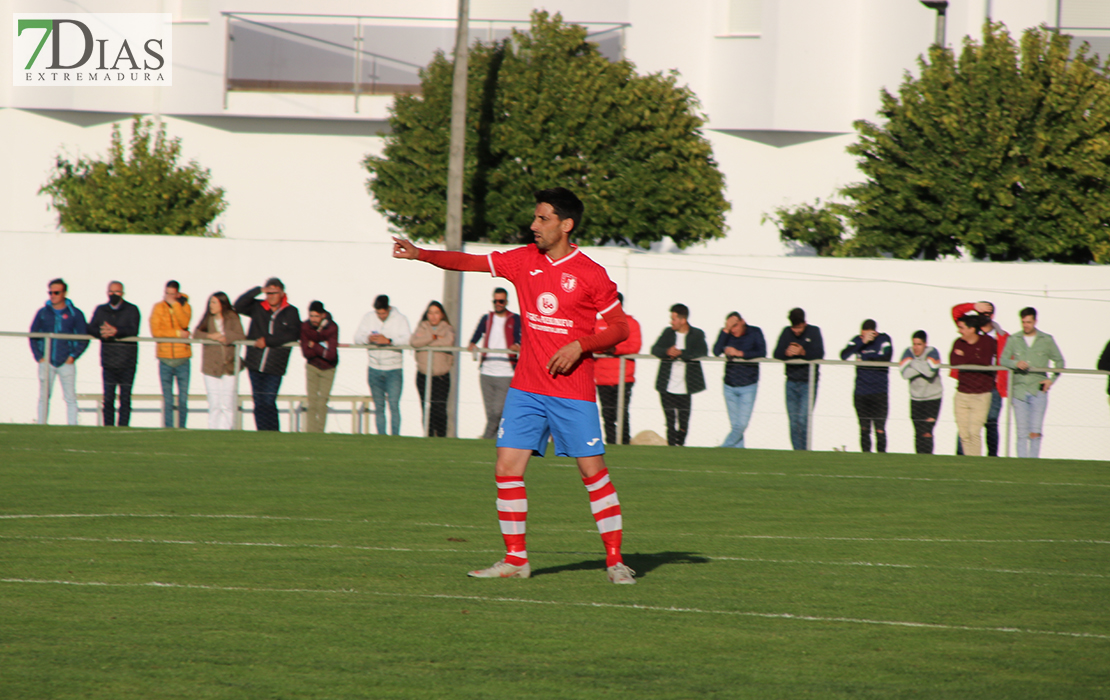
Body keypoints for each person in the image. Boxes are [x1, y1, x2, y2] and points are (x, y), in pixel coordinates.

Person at [391, 186, 636, 585]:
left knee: (593, 472)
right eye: (535, 217)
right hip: (526, 388)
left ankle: (614, 560)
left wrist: (580, 345)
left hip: (572, 392)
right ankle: (515, 560)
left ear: (566, 225)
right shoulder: (523, 260)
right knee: (506, 468)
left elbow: (621, 328)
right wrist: (421, 254)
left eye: (543, 219)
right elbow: (467, 261)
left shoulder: (592, 274)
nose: (533, 225)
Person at [234, 279, 300, 432]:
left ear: (282, 293)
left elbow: (293, 333)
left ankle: (273, 432)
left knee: (269, 401)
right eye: (268, 293)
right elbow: (238, 305)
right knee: (258, 401)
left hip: (274, 366)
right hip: (254, 363)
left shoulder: (291, 311)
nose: (270, 296)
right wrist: (258, 290)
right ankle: (262, 433)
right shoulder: (258, 307)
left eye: (274, 293)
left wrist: (268, 341)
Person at [1000, 307, 1064, 458]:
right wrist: (1015, 363)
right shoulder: (1014, 339)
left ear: (1035, 321)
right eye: (1023, 322)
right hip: (1019, 391)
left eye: (1029, 322)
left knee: (1035, 430)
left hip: (1038, 390)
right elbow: (1003, 359)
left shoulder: (1046, 340)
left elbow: (1059, 361)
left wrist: (1051, 380)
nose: (1026, 325)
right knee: (1021, 431)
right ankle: (1021, 463)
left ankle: (1033, 462)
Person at [951, 301, 1009, 456]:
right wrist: (973, 306)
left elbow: (991, 360)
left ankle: (991, 458)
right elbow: (956, 312)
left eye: (987, 314)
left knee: (990, 423)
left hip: (992, 386)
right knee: (965, 426)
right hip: (967, 385)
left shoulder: (1001, 337)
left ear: (993, 316)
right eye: (981, 313)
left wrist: (967, 357)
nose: (984, 317)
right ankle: (961, 456)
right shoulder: (970, 328)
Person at [30, 278, 88, 425]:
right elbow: (33, 335)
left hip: (66, 362)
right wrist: (39, 357)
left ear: (64, 293)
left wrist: (73, 356)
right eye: (50, 292)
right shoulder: (42, 313)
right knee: (44, 396)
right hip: (46, 362)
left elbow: (83, 338)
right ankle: (41, 425)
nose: (53, 295)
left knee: (70, 397)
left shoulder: (75, 314)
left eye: (56, 292)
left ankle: (72, 426)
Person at [468, 288, 521, 440]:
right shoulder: (487, 318)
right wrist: (472, 343)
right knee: (490, 412)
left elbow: (522, 337)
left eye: (501, 301)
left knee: (498, 412)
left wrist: (517, 345)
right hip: (486, 371)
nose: (498, 304)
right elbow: (476, 335)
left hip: (506, 372)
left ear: (506, 302)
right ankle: (495, 440)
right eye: (495, 301)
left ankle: (485, 439)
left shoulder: (515, 319)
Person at [651, 304, 707, 447]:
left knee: (684, 422)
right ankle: (671, 448)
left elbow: (702, 351)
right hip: (666, 385)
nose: (671, 322)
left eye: (674, 319)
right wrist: (667, 351)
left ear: (682, 320)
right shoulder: (668, 333)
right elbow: (655, 349)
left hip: (686, 387)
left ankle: (680, 447)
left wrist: (682, 353)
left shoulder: (697, 334)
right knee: (670, 421)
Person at [354, 294, 411, 436]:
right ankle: (381, 437)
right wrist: (368, 338)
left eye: (383, 313)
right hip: (374, 369)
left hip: (394, 369)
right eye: (378, 313)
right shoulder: (368, 318)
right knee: (379, 407)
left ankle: (395, 437)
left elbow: (408, 339)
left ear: (389, 309)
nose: (381, 316)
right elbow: (357, 338)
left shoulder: (401, 319)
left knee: (393, 405)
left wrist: (389, 341)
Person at [88, 281, 141, 427]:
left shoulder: (132, 309)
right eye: (111, 291)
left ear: (122, 293)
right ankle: (108, 428)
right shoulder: (101, 310)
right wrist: (101, 333)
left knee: (125, 398)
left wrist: (116, 331)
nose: (114, 294)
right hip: (108, 361)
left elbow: (133, 329)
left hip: (127, 362)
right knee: (108, 398)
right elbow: (90, 327)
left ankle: (123, 428)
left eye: (117, 292)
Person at [772, 307, 824, 450]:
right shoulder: (786, 332)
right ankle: (798, 452)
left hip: (809, 382)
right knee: (794, 421)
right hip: (791, 382)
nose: (796, 331)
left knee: (803, 419)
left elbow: (819, 353)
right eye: (794, 328)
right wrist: (786, 353)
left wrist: (803, 352)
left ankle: (806, 451)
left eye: (799, 327)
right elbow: (776, 353)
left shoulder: (814, 331)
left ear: (804, 323)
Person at [594, 292, 642, 445]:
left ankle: (624, 443)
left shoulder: (631, 324)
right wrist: (605, 347)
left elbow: (634, 346)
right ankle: (611, 444)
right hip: (602, 378)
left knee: (622, 413)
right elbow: (592, 343)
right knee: (607, 414)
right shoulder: (598, 324)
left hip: (623, 377)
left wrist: (614, 349)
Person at [713, 311, 765, 449]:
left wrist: (740, 353)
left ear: (742, 321)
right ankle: (738, 452)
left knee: (741, 424)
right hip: (729, 384)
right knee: (735, 424)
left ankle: (724, 448)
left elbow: (762, 352)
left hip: (748, 385)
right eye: (730, 327)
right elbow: (716, 350)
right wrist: (725, 331)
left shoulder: (755, 332)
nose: (733, 330)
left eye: (735, 325)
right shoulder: (726, 334)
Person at [192, 292, 244, 430]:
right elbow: (196, 334)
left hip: (229, 366)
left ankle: (227, 429)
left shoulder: (232, 318)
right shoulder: (207, 319)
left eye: (214, 302)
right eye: (210, 302)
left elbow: (241, 335)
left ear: (222, 304)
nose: (211, 306)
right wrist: (211, 336)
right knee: (214, 402)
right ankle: (213, 429)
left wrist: (226, 337)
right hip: (211, 366)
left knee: (227, 402)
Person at [840, 319, 893, 453]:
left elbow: (887, 357)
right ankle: (866, 457)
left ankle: (882, 458)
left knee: (880, 429)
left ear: (874, 332)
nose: (864, 337)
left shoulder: (883, 339)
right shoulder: (858, 340)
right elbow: (844, 355)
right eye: (862, 334)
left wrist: (866, 360)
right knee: (864, 429)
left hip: (879, 392)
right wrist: (862, 343)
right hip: (861, 393)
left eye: (867, 334)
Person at [150, 280, 193, 428]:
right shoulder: (158, 308)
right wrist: (177, 334)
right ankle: (168, 428)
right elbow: (156, 332)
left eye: (172, 294)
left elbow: (184, 322)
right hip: (165, 359)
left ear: (178, 294)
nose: (169, 296)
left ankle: (182, 427)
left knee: (183, 399)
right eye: (167, 293)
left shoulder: (185, 306)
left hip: (183, 359)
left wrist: (176, 305)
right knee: (168, 400)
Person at [411, 300, 456, 437]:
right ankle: (428, 436)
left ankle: (441, 437)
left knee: (440, 409)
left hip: (441, 377)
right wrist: (433, 337)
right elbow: (415, 342)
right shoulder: (422, 327)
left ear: (442, 314)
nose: (433, 316)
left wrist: (428, 343)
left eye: (436, 313)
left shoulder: (447, 328)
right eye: (430, 313)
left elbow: (448, 341)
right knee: (426, 409)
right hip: (423, 375)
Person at [899, 330, 943, 454]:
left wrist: (912, 363)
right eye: (914, 344)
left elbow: (931, 372)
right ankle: (919, 459)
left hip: (933, 399)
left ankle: (928, 459)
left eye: (919, 344)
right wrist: (923, 366)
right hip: (916, 399)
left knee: (927, 431)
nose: (916, 347)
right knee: (918, 432)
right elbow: (905, 373)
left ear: (925, 344)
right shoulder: (908, 352)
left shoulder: (933, 352)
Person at [300, 300, 339, 433]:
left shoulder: (332, 327)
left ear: (323, 315)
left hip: (328, 368)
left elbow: (331, 355)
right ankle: (310, 433)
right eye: (311, 316)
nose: (313, 319)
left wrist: (315, 345)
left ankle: (319, 432)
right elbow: (306, 353)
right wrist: (322, 349)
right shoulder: (305, 327)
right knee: (312, 402)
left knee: (322, 403)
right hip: (312, 367)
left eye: (316, 316)